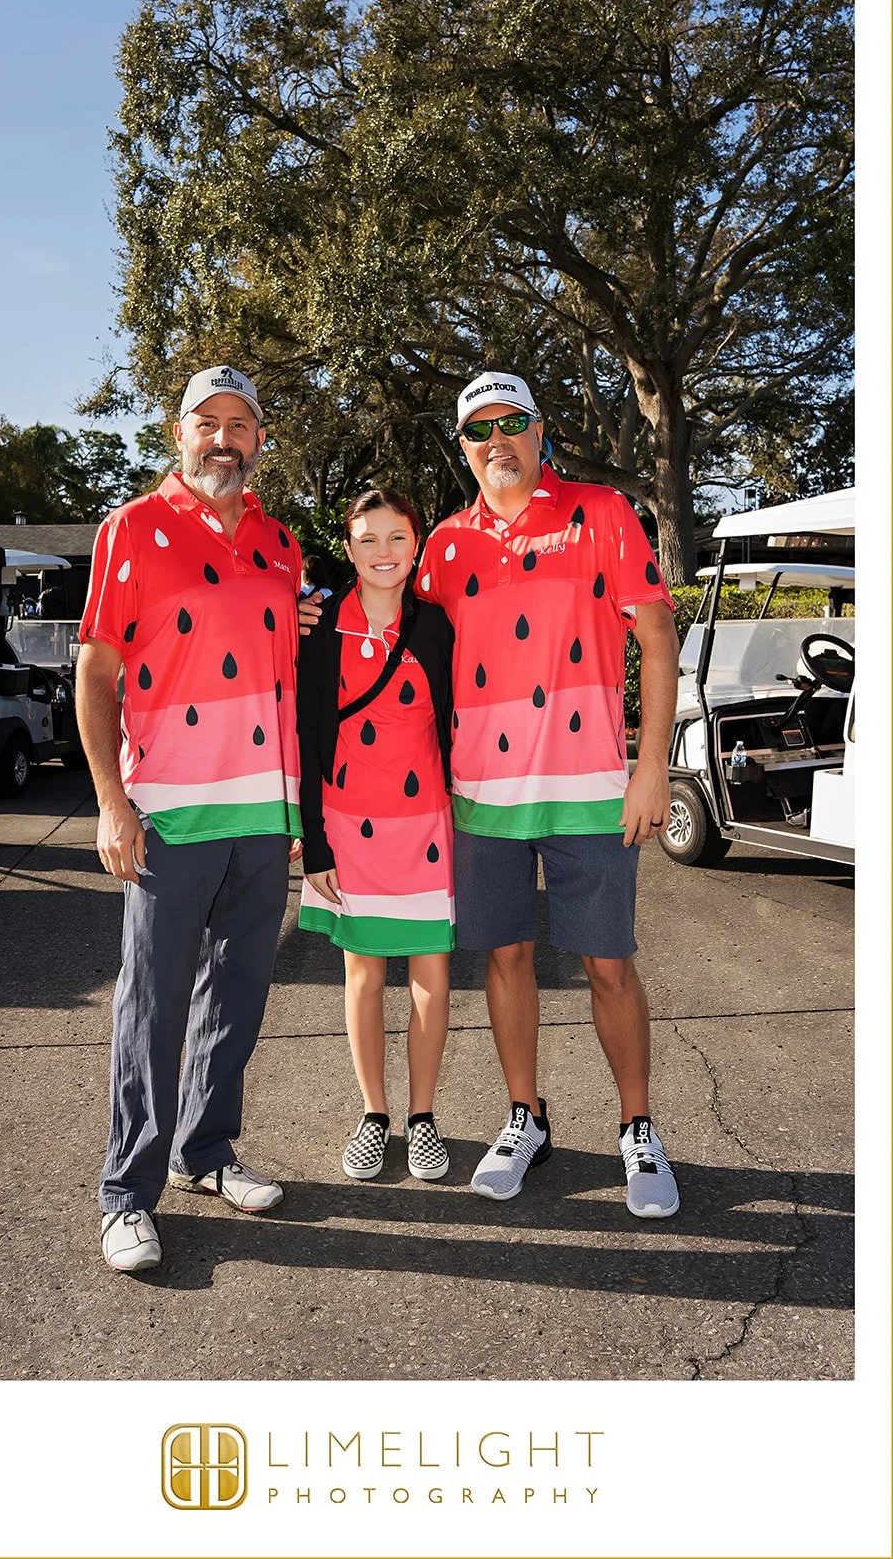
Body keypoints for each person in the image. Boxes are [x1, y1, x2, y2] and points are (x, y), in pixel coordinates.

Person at [300, 371, 681, 1218]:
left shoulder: (602, 512)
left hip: (592, 790)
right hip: (478, 798)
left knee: (609, 966)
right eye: (478, 428)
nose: (496, 439)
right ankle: (525, 1116)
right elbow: (390, 615)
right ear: (463, 446)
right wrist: (312, 613)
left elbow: (657, 634)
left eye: (512, 422)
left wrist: (651, 764)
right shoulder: (443, 543)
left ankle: (638, 1128)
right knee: (504, 958)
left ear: (541, 431)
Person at [76, 364, 303, 1273]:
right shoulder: (131, 528)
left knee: (236, 998)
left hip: (261, 815)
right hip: (168, 813)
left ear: (259, 440)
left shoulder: (282, 544)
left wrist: (295, 807)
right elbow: (96, 673)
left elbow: (286, 671)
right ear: (179, 435)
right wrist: (111, 803)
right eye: (207, 422)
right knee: (153, 1004)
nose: (223, 439)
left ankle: (205, 1153)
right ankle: (126, 1195)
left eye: (239, 424)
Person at [297, 490, 455, 1182]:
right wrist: (314, 841)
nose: (383, 552)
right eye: (368, 539)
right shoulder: (319, 623)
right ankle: (373, 1114)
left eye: (397, 537)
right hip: (346, 822)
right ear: (349, 547)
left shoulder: (439, 624)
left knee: (431, 979)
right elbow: (307, 736)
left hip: (426, 825)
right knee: (362, 977)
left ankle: (422, 1118)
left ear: (416, 544)